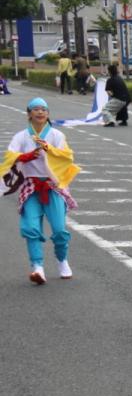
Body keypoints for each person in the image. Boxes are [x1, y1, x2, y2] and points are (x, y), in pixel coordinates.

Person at [2, 97, 80, 284]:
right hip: (30, 187)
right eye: (36, 109)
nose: (40, 112)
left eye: (44, 109)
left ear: (48, 114)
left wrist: (48, 148)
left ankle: (62, 260)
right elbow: (9, 156)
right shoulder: (21, 136)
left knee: (60, 230)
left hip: (53, 186)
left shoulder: (56, 135)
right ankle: (38, 267)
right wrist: (25, 156)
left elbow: (67, 157)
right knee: (30, 228)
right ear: (29, 113)